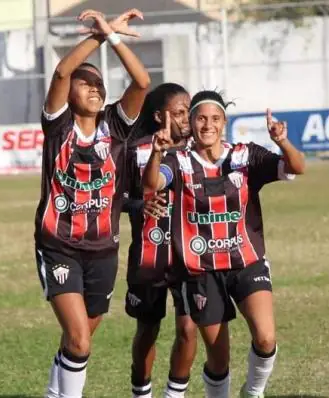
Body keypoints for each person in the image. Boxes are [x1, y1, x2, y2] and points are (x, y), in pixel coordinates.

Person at [142, 90, 305, 398]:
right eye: (201, 118)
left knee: (266, 338)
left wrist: (282, 141)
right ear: (191, 122)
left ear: (224, 122)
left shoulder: (246, 156)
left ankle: (253, 393)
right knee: (219, 360)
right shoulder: (178, 161)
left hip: (246, 261)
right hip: (201, 271)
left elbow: (297, 167)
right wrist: (157, 154)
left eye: (215, 119)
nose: (208, 125)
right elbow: (152, 185)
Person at [34, 8, 150, 398]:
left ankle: (56, 392)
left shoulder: (116, 128)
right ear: (69, 96)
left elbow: (142, 81)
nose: (95, 88)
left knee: (78, 340)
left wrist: (114, 38)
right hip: (59, 245)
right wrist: (101, 34)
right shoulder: (58, 127)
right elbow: (63, 72)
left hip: (103, 250)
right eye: (86, 83)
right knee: (80, 340)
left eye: (99, 84)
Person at [123, 83, 198, 398]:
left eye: (188, 111)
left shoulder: (202, 149)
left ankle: (174, 395)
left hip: (191, 255)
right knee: (147, 330)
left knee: (188, 328)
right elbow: (116, 198)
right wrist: (140, 205)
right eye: (179, 113)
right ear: (158, 116)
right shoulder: (135, 151)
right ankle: (141, 392)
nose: (186, 119)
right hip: (150, 255)